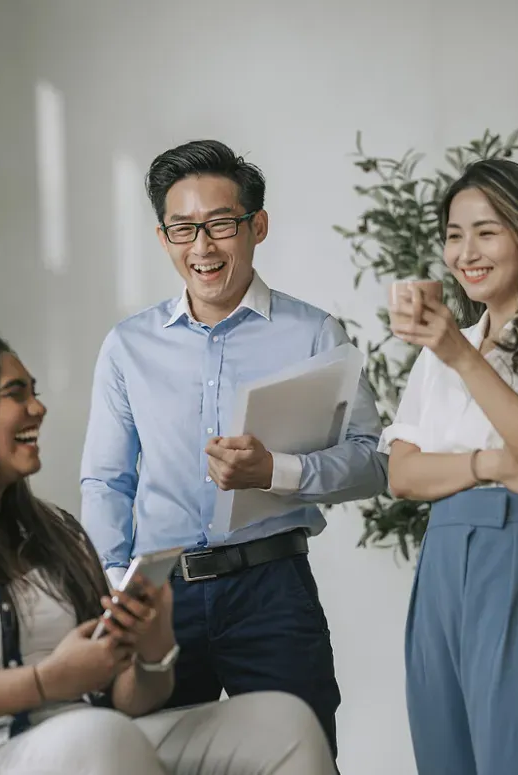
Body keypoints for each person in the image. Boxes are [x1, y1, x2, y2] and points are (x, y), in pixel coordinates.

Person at [80, 139, 388, 759]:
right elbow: (106, 481)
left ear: (257, 226)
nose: (202, 247)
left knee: (301, 757)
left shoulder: (313, 333)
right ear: (163, 236)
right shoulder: (128, 345)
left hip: (272, 589)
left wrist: (276, 470)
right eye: (182, 229)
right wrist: (121, 588)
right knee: (146, 760)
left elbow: (375, 460)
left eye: (220, 224)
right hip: (159, 595)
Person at [0, 332, 338, 775]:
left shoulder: (57, 535)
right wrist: (46, 682)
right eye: (16, 394)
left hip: (100, 736)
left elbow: (127, 700)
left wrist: (154, 648)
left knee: (284, 723)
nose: (38, 408)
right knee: (101, 737)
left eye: (35, 392)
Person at [379, 158, 518, 775]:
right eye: (454, 234)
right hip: (443, 563)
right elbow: (402, 474)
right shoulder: (446, 348)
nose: (465, 252)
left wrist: (460, 355)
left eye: (487, 231)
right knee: (443, 751)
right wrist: (493, 464)